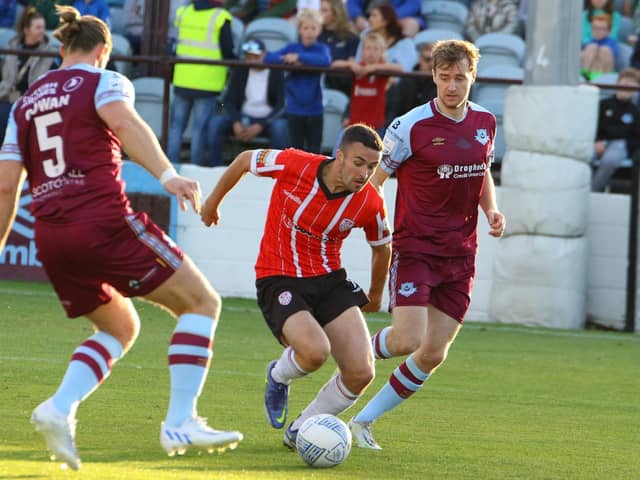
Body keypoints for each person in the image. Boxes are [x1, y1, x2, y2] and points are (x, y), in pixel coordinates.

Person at [0, 6, 242, 470]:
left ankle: (59, 407)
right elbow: (125, 123)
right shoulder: (104, 81)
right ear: (103, 52)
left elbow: (8, 186)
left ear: (62, 48)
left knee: (119, 326)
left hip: (50, 237)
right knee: (201, 303)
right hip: (102, 220)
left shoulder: (23, 104)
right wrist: (168, 175)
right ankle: (180, 421)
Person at [349, 39, 506, 450]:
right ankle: (346, 347)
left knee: (433, 353)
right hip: (416, 247)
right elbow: (375, 183)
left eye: (460, 78)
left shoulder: (486, 122)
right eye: (444, 78)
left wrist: (491, 210)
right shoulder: (409, 126)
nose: (452, 86)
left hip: (461, 253)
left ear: (472, 77)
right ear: (433, 76)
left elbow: (482, 171)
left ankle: (362, 422)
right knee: (406, 339)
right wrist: (373, 229)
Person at [200, 123, 392, 449]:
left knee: (361, 372)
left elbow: (382, 246)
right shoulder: (295, 164)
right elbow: (246, 159)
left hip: (330, 280)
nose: (364, 173)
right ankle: (279, 375)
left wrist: (375, 294)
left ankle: (302, 430)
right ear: (340, 156)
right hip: (279, 276)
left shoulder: (369, 202)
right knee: (315, 351)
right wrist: (213, 202)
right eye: (359, 163)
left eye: (372, 167)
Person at [167, 0, 236, 165]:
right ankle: (195, 167)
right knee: (200, 129)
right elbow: (228, 52)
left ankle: (170, 166)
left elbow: (175, 44)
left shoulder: (183, 13)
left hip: (182, 79)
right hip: (207, 83)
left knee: (176, 127)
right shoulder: (221, 16)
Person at [207, 38, 287, 167]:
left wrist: (261, 124)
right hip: (243, 117)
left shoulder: (276, 71)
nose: (252, 60)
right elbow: (228, 101)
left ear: (264, 55)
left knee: (280, 127)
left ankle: (277, 167)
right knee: (216, 123)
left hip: (267, 120)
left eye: (256, 56)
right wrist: (235, 121)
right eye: (249, 56)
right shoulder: (240, 71)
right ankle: (216, 166)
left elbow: (281, 105)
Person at [263, 8, 331, 153]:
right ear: (299, 29)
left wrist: (299, 58)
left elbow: (325, 61)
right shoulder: (292, 48)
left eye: (313, 28)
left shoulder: (321, 49)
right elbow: (268, 58)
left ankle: (314, 176)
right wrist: (286, 59)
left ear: (319, 30)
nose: (309, 31)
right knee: (295, 148)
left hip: (315, 108)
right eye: (305, 28)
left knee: (314, 148)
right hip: (294, 107)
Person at [334, 31, 402, 137]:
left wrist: (375, 67)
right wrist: (350, 64)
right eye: (368, 48)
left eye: (376, 49)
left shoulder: (382, 71)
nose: (371, 52)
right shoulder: (358, 68)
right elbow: (334, 65)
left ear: (382, 52)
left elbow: (399, 68)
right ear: (362, 51)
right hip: (354, 124)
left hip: (375, 126)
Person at [0, 7, 55, 139]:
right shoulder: (11, 48)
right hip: (7, 96)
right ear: (26, 30)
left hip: (32, 101)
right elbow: (5, 77)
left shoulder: (49, 54)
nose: (42, 31)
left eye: (43, 27)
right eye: (38, 27)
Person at [591, 68, 640, 191]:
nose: (627, 88)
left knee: (610, 160)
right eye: (625, 83)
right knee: (586, 155)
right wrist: (597, 141)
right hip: (599, 141)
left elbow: (634, 136)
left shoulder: (635, 111)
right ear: (618, 83)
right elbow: (594, 125)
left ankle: (592, 190)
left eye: (631, 85)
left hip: (620, 144)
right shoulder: (603, 104)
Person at [386, 40, 436, 126]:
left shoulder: (439, 83)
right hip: (406, 127)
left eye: (435, 61)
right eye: (428, 59)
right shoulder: (406, 81)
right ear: (420, 59)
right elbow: (395, 110)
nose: (431, 64)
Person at [319, 0, 360, 96]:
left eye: (324, 10)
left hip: (341, 85)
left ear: (336, 13)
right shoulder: (316, 35)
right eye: (320, 10)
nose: (320, 13)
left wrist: (336, 64)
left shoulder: (350, 37)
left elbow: (352, 64)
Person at [347, 0, 424, 38]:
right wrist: (358, 17)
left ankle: (398, 53)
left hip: (397, 18)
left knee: (411, 24)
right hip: (368, 19)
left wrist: (386, 18)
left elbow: (413, 5)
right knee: (349, 25)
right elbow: (352, 4)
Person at [581, 13, 618, 80]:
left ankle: (602, 77)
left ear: (608, 31)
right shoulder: (590, 42)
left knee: (604, 50)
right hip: (590, 70)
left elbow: (612, 57)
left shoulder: (612, 42)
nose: (597, 31)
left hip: (605, 71)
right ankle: (584, 73)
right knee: (591, 47)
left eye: (601, 28)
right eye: (594, 28)